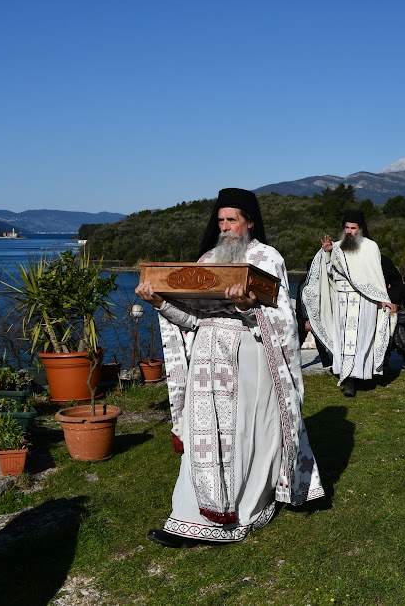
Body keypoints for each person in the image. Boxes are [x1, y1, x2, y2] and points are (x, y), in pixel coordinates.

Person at [135, 188, 324, 547]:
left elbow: (282, 320)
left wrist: (244, 307)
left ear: (249, 222)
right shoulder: (207, 260)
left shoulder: (268, 259)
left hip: (250, 356)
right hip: (206, 359)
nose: (225, 227)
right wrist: (159, 301)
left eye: (232, 220)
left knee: (242, 434)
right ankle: (190, 516)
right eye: (220, 220)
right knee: (201, 435)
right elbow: (191, 320)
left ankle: (244, 509)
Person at [301, 209, 396, 397]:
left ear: (360, 229)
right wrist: (326, 253)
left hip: (365, 301)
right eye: (346, 228)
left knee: (362, 338)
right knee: (344, 341)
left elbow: (375, 275)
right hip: (342, 300)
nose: (349, 232)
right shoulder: (336, 246)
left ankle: (360, 374)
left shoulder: (370, 247)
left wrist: (384, 298)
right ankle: (348, 379)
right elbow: (328, 272)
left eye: (353, 228)